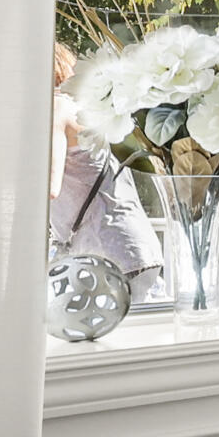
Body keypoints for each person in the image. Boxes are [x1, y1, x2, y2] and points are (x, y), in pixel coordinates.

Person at [52, 42, 164, 295]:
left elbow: (48, 187)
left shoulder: (56, 111)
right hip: (129, 250)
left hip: (111, 255)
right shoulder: (80, 109)